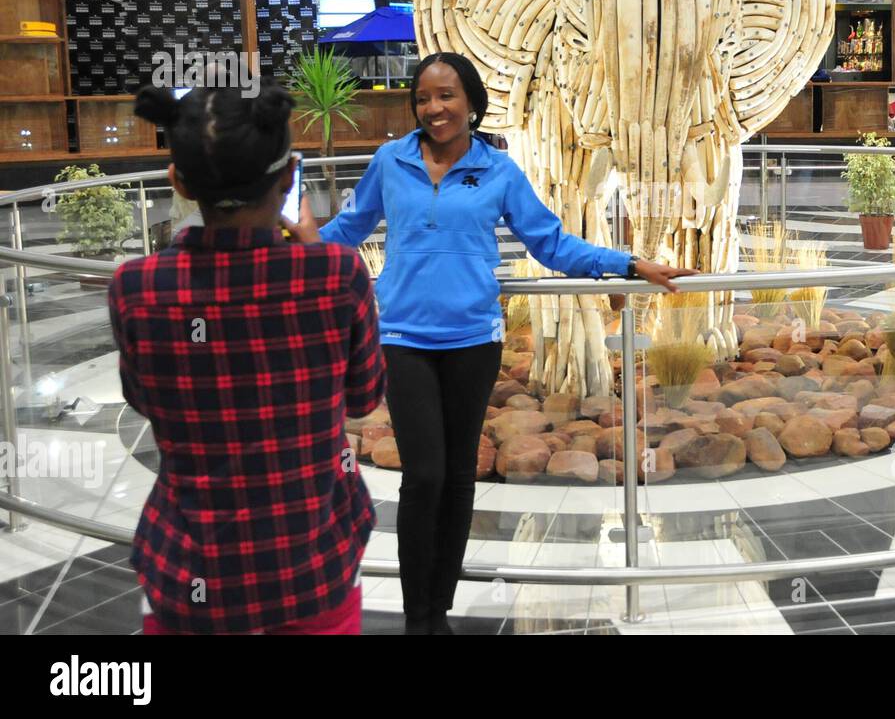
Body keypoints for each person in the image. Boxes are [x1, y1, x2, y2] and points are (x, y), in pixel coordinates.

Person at [314, 51, 694, 634]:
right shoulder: (390, 162)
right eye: (423, 98)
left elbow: (551, 243)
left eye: (445, 96)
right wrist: (282, 247)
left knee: (461, 476)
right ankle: (418, 617)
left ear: (470, 102)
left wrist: (627, 263)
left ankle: (439, 608)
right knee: (425, 477)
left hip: (473, 341)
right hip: (403, 338)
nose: (433, 108)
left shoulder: (498, 171)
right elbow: (347, 230)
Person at [110, 81, 384, 635]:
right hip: (312, 567)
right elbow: (364, 396)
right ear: (288, 178)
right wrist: (309, 250)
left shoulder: (137, 287)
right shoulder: (336, 276)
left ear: (179, 181)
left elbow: (143, 400)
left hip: (191, 572)